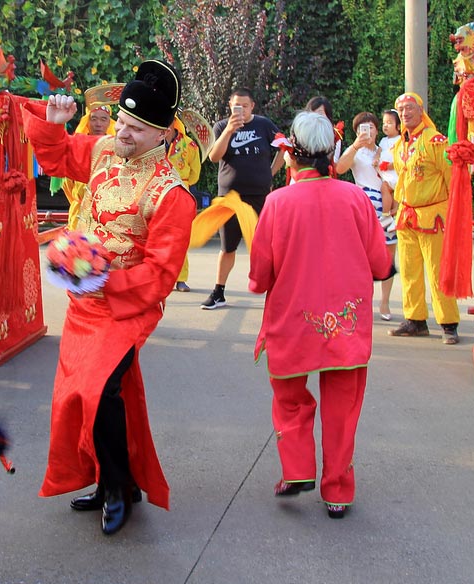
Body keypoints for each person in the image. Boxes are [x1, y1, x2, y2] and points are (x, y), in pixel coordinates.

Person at [22, 59, 195, 534]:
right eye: (122, 122)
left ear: (162, 135)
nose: (124, 134)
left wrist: (102, 280)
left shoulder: (170, 193)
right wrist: (54, 126)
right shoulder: (102, 151)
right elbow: (58, 158)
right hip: (84, 302)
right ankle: (110, 481)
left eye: (138, 129)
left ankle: (119, 488)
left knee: (97, 392)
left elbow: (160, 274)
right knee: (85, 397)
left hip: (126, 306)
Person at [249, 111, 392, 519]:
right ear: (332, 152)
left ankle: (297, 470)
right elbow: (380, 264)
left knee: (290, 397)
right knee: (342, 407)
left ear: (291, 154)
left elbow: (260, 275)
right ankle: (337, 491)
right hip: (347, 323)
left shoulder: (277, 203)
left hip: (293, 321)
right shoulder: (356, 199)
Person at [201, 87, 284, 309]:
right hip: (230, 197)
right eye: (237, 106)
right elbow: (213, 157)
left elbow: (284, 147)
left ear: (252, 106)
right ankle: (218, 292)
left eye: (245, 106)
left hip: (259, 195)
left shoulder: (264, 125)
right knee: (227, 247)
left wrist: (271, 172)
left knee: (266, 245)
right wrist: (229, 130)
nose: (242, 110)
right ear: (230, 105)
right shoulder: (221, 126)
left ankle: (276, 292)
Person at [389, 92, 460, 344]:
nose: (404, 113)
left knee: (437, 270)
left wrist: (455, 214)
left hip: (433, 216)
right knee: (409, 270)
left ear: (421, 110)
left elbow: (452, 178)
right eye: (400, 110)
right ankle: (415, 319)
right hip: (407, 216)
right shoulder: (400, 144)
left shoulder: (435, 140)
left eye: (409, 108)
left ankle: (448, 323)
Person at [335, 112, 397, 321]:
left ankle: (385, 301)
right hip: (364, 204)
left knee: (389, 254)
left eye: (371, 127)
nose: (367, 132)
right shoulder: (356, 152)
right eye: (363, 128)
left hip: (388, 204)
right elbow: (340, 168)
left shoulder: (387, 148)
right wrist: (355, 146)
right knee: (360, 256)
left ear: (377, 130)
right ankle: (361, 301)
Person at [165, 117, 202, 292]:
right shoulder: (150, 140)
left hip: (180, 193)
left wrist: (181, 181)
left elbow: (195, 174)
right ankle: (158, 277)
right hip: (154, 194)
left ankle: (180, 279)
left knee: (180, 238)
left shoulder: (189, 145)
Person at [377, 109, 401, 192]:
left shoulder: (400, 140)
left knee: (397, 195)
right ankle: (386, 206)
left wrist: (392, 165)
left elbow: (402, 157)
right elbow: (379, 152)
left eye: (389, 123)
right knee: (384, 189)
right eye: (384, 123)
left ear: (399, 126)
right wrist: (376, 159)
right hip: (386, 174)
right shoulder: (383, 140)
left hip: (396, 173)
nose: (385, 125)